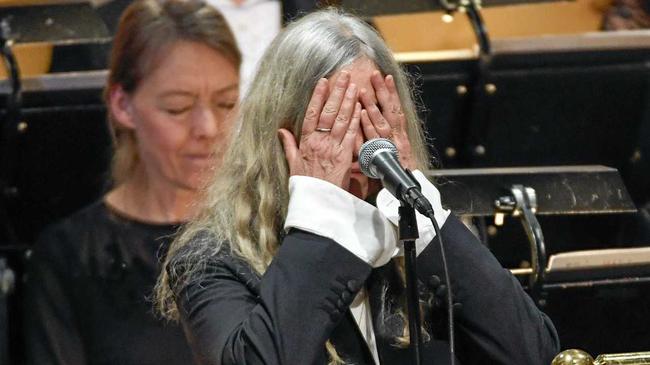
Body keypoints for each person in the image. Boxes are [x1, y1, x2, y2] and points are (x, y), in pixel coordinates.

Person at [155, 8, 560, 365]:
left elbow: (533, 354)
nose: (364, 145)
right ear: (282, 131)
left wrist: (425, 224)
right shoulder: (211, 259)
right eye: (337, 119)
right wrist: (321, 215)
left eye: (374, 114)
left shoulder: (420, 227)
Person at [23, 0, 241, 364]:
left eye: (226, 102)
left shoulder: (259, 232)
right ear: (123, 105)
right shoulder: (71, 257)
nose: (209, 129)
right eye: (178, 108)